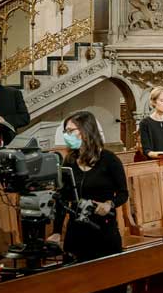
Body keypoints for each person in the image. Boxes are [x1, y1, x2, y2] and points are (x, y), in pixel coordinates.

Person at [49, 111, 128, 262]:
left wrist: (109, 204)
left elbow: (123, 194)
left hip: (103, 229)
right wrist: (57, 231)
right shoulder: (70, 161)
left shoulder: (109, 160)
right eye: (65, 131)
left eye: (71, 131)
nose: (67, 135)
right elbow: (63, 198)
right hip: (76, 230)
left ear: (86, 131)